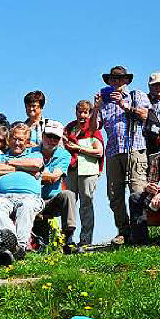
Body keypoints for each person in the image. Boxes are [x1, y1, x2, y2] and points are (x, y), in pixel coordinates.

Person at [94, 65, 151, 244]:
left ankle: (140, 233)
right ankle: (124, 232)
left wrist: (125, 106)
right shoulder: (104, 101)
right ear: (109, 81)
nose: (116, 82)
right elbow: (93, 128)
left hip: (135, 148)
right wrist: (96, 107)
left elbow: (146, 115)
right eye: (113, 79)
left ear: (126, 80)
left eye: (120, 78)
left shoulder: (137, 95)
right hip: (113, 151)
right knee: (114, 194)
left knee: (137, 191)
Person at [0, 122, 44, 264]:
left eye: (21, 140)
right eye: (14, 139)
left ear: (27, 142)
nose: (17, 143)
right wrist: (23, 168)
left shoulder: (35, 154)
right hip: (1, 196)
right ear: (9, 140)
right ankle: (14, 246)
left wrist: (10, 163)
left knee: (27, 206)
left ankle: (18, 245)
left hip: (29, 196)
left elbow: (36, 165)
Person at [63, 101, 105, 246]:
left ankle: (85, 239)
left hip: (88, 170)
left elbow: (99, 152)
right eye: (79, 111)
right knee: (69, 203)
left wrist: (78, 148)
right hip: (72, 169)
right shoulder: (69, 128)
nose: (82, 115)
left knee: (86, 203)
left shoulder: (93, 129)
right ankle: (67, 239)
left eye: (85, 112)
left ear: (90, 113)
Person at [37, 120, 77, 246]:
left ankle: (68, 239)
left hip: (51, 200)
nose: (52, 140)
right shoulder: (30, 152)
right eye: (49, 136)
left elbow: (54, 177)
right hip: (31, 198)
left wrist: (35, 174)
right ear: (43, 136)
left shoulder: (64, 155)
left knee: (68, 194)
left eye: (56, 137)